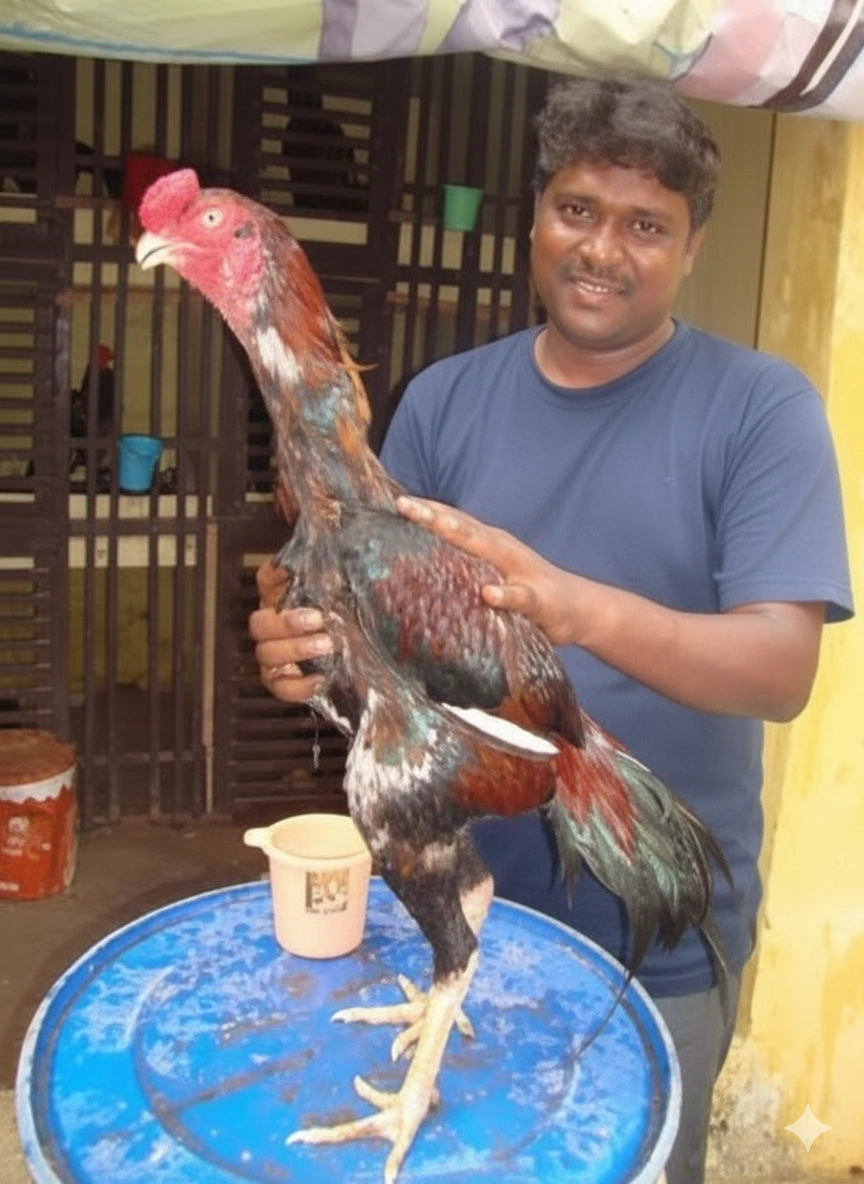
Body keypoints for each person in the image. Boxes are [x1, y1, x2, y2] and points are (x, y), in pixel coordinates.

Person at [250, 75, 853, 1184]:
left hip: (651, 937)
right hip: (468, 903)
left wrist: (572, 607)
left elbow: (782, 667)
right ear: (534, 215)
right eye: (578, 209)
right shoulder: (444, 400)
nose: (603, 250)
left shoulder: (761, 409)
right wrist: (309, 649)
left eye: (646, 225)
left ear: (692, 244)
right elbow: (385, 621)